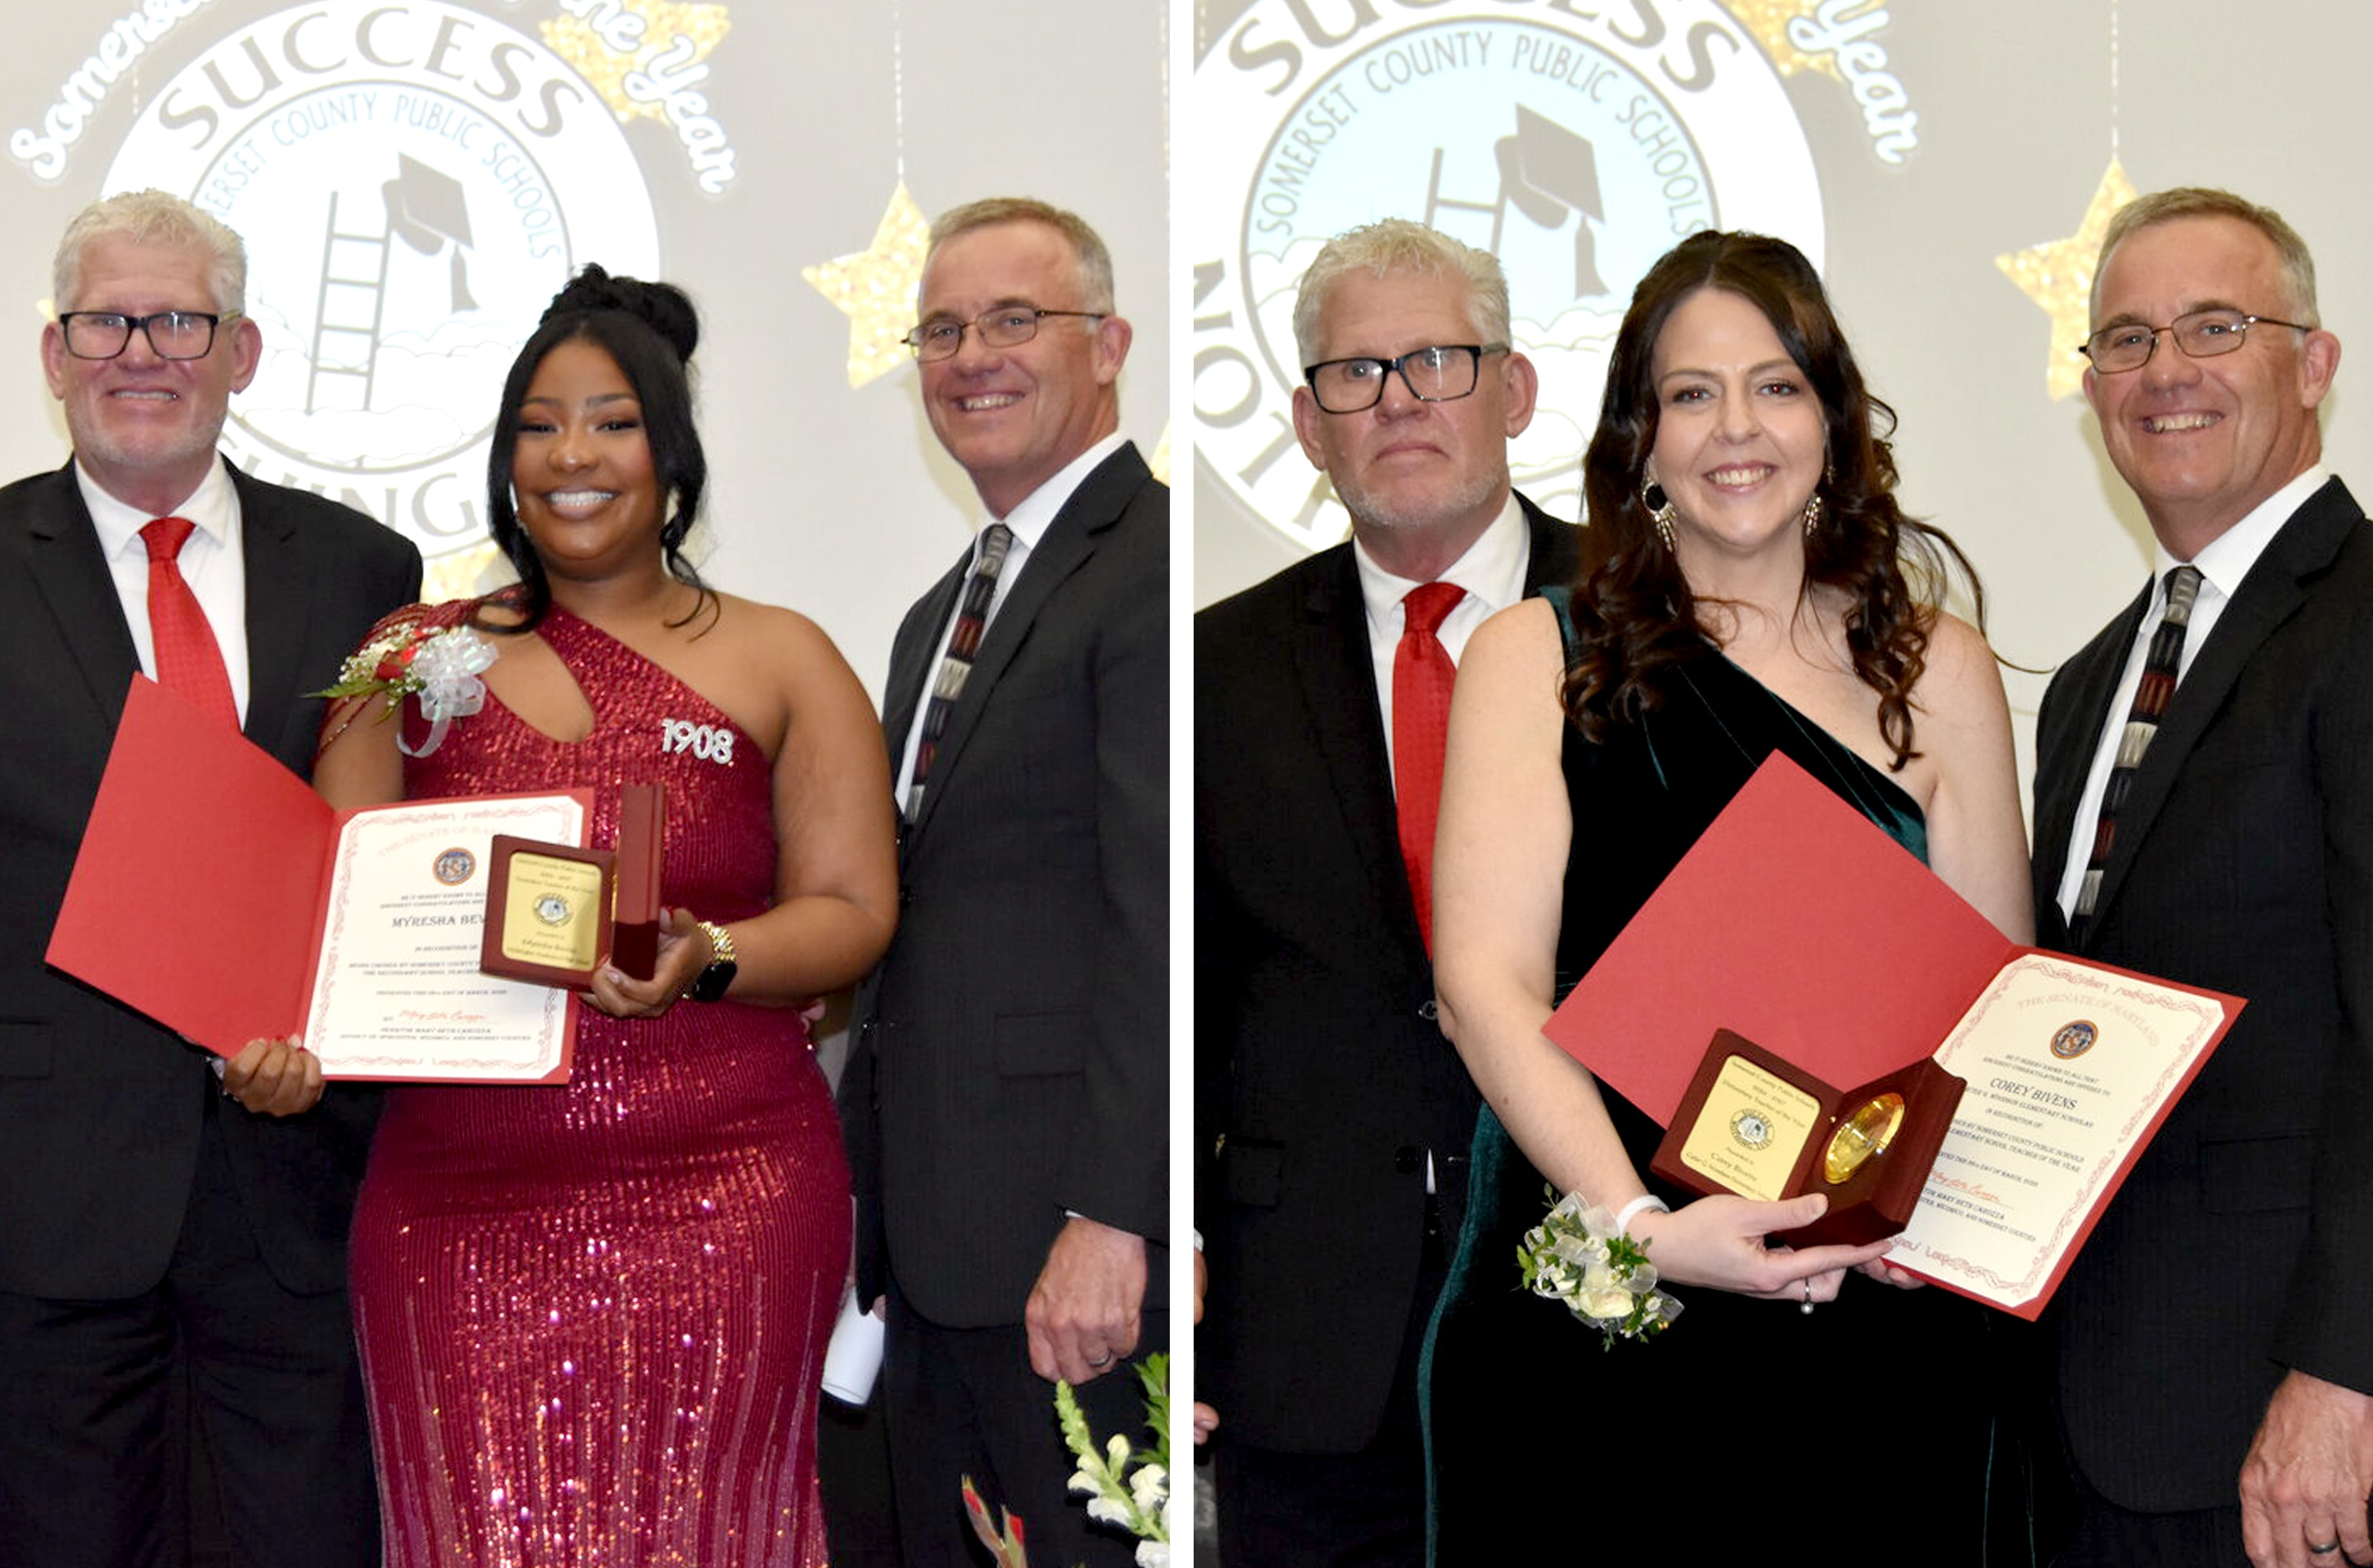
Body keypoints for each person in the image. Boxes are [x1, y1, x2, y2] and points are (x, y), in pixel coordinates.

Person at [1421, 231, 2031, 1560]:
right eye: (1692, 394)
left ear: (1833, 417)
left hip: (1878, 1324)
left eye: (1777, 385)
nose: (1736, 429)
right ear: (1639, 437)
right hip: (1612, 1317)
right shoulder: (1537, 651)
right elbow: (1484, 985)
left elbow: (1999, 1007)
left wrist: (1933, 1225)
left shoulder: (1943, 671)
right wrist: (1645, 1233)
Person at [308, 266, 899, 1566]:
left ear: (673, 457)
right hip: (453, 1205)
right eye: (538, 425)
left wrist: (711, 957)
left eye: (614, 421)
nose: (572, 454)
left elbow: (857, 910)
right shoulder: (395, 650)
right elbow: (325, 904)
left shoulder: (788, 651)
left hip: (730, 1188)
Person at [0, 190, 421, 1567]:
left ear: (242, 353)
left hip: (294, 1179)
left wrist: (339, 1033)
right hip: (44, 1192)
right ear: (54, 354)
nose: (141, 353)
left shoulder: (365, 568)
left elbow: (377, 856)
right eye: (105, 321)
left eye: (180, 320)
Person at [1195, 219, 1573, 1567]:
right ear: (1306, 423)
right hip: (1303, 1333)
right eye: (1356, 375)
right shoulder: (1216, 670)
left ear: (1516, 390)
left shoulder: (1654, 621)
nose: (1399, 399)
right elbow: (1183, 999)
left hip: (1601, 1304)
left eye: (1437, 361)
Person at [2032, 187, 2373, 1568]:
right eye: (2124, 339)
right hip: (2091, 1413)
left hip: (2290, 1427)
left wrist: (2348, 1377)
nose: (2164, 370)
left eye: (2214, 327)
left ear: (2314, 362)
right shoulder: (2084, 685)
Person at [840, 197, 1167, 1567]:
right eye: (943, 329)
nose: (972, 356)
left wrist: (1114, 1214)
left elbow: (1160, 921)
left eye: (1015, 320)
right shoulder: (938, 613)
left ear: (1111, 345)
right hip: (933, 1251)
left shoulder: (1149, 568)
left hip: (1062, 1244)